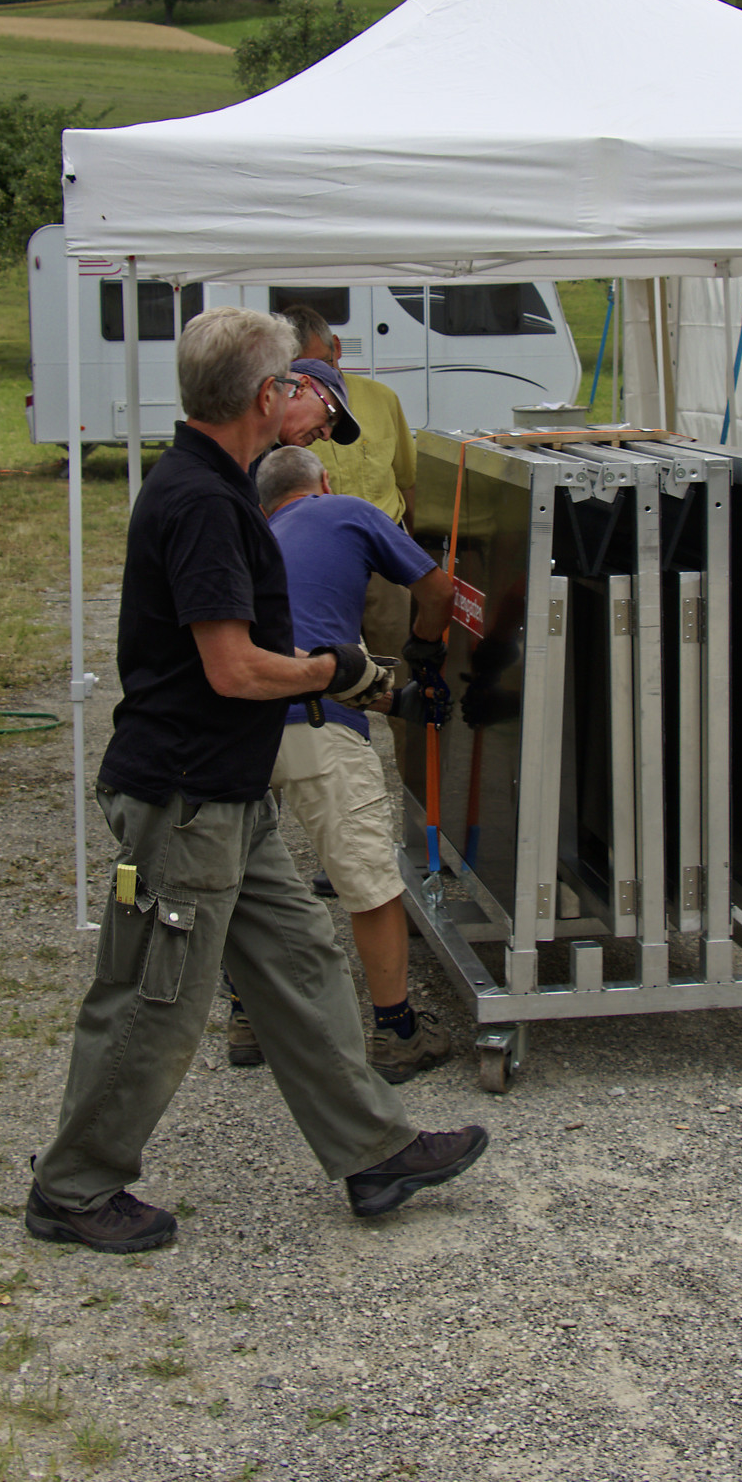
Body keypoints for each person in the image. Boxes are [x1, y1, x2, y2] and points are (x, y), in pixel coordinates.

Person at [25, 306, 486, 1251]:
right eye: (290, 382)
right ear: (264, 395)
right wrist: (335, 670)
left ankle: (372, 1151)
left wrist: (346, 677)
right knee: (156, 995)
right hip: (184, 796)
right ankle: (72, 1189)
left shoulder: (224, 486)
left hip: (229, 787)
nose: (297, 395)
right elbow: (233, 669)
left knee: (303, 962)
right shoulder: (200, 501)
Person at [227, 444, 453, 1083]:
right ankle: (397, 1032)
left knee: (243, 879)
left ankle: (247, 1018)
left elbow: (295, 643)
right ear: (323, 482)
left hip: (240, 729)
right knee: (369, 884)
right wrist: (424, 651)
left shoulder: (249, 538)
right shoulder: (345, 511)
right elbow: (437, 591)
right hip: (317, 724)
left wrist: (392, 700)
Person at [279, 302, 420, 804]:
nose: (311, 377)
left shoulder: (381, 399)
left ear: (337, 349)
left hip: (385, 566)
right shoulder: (278, 413)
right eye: (296, 369)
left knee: (405, 683)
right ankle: (328, 805)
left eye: (320, 363)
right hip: (315, 570)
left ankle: (418, 808)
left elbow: (406, 479)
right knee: (318, 682)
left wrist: (417, 555)